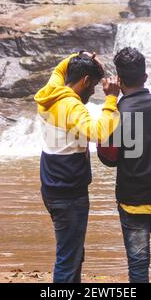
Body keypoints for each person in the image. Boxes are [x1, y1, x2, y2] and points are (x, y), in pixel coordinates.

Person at [97, 47, 151, 283]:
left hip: (132, 203)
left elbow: (108, 158)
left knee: (137, 264)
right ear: (145, 77)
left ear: (118, 80)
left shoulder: (115, 114)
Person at [34, 51, 120, 283]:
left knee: (72, 253)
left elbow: (58, 70)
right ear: (85, 81)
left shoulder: (51, 92)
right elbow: (99, 133)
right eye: (92, 87)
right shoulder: (72, 107)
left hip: (51, 188)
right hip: (69, 194)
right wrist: (111, 98)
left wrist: (79, 56)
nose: (93, 93)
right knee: (68, 257)